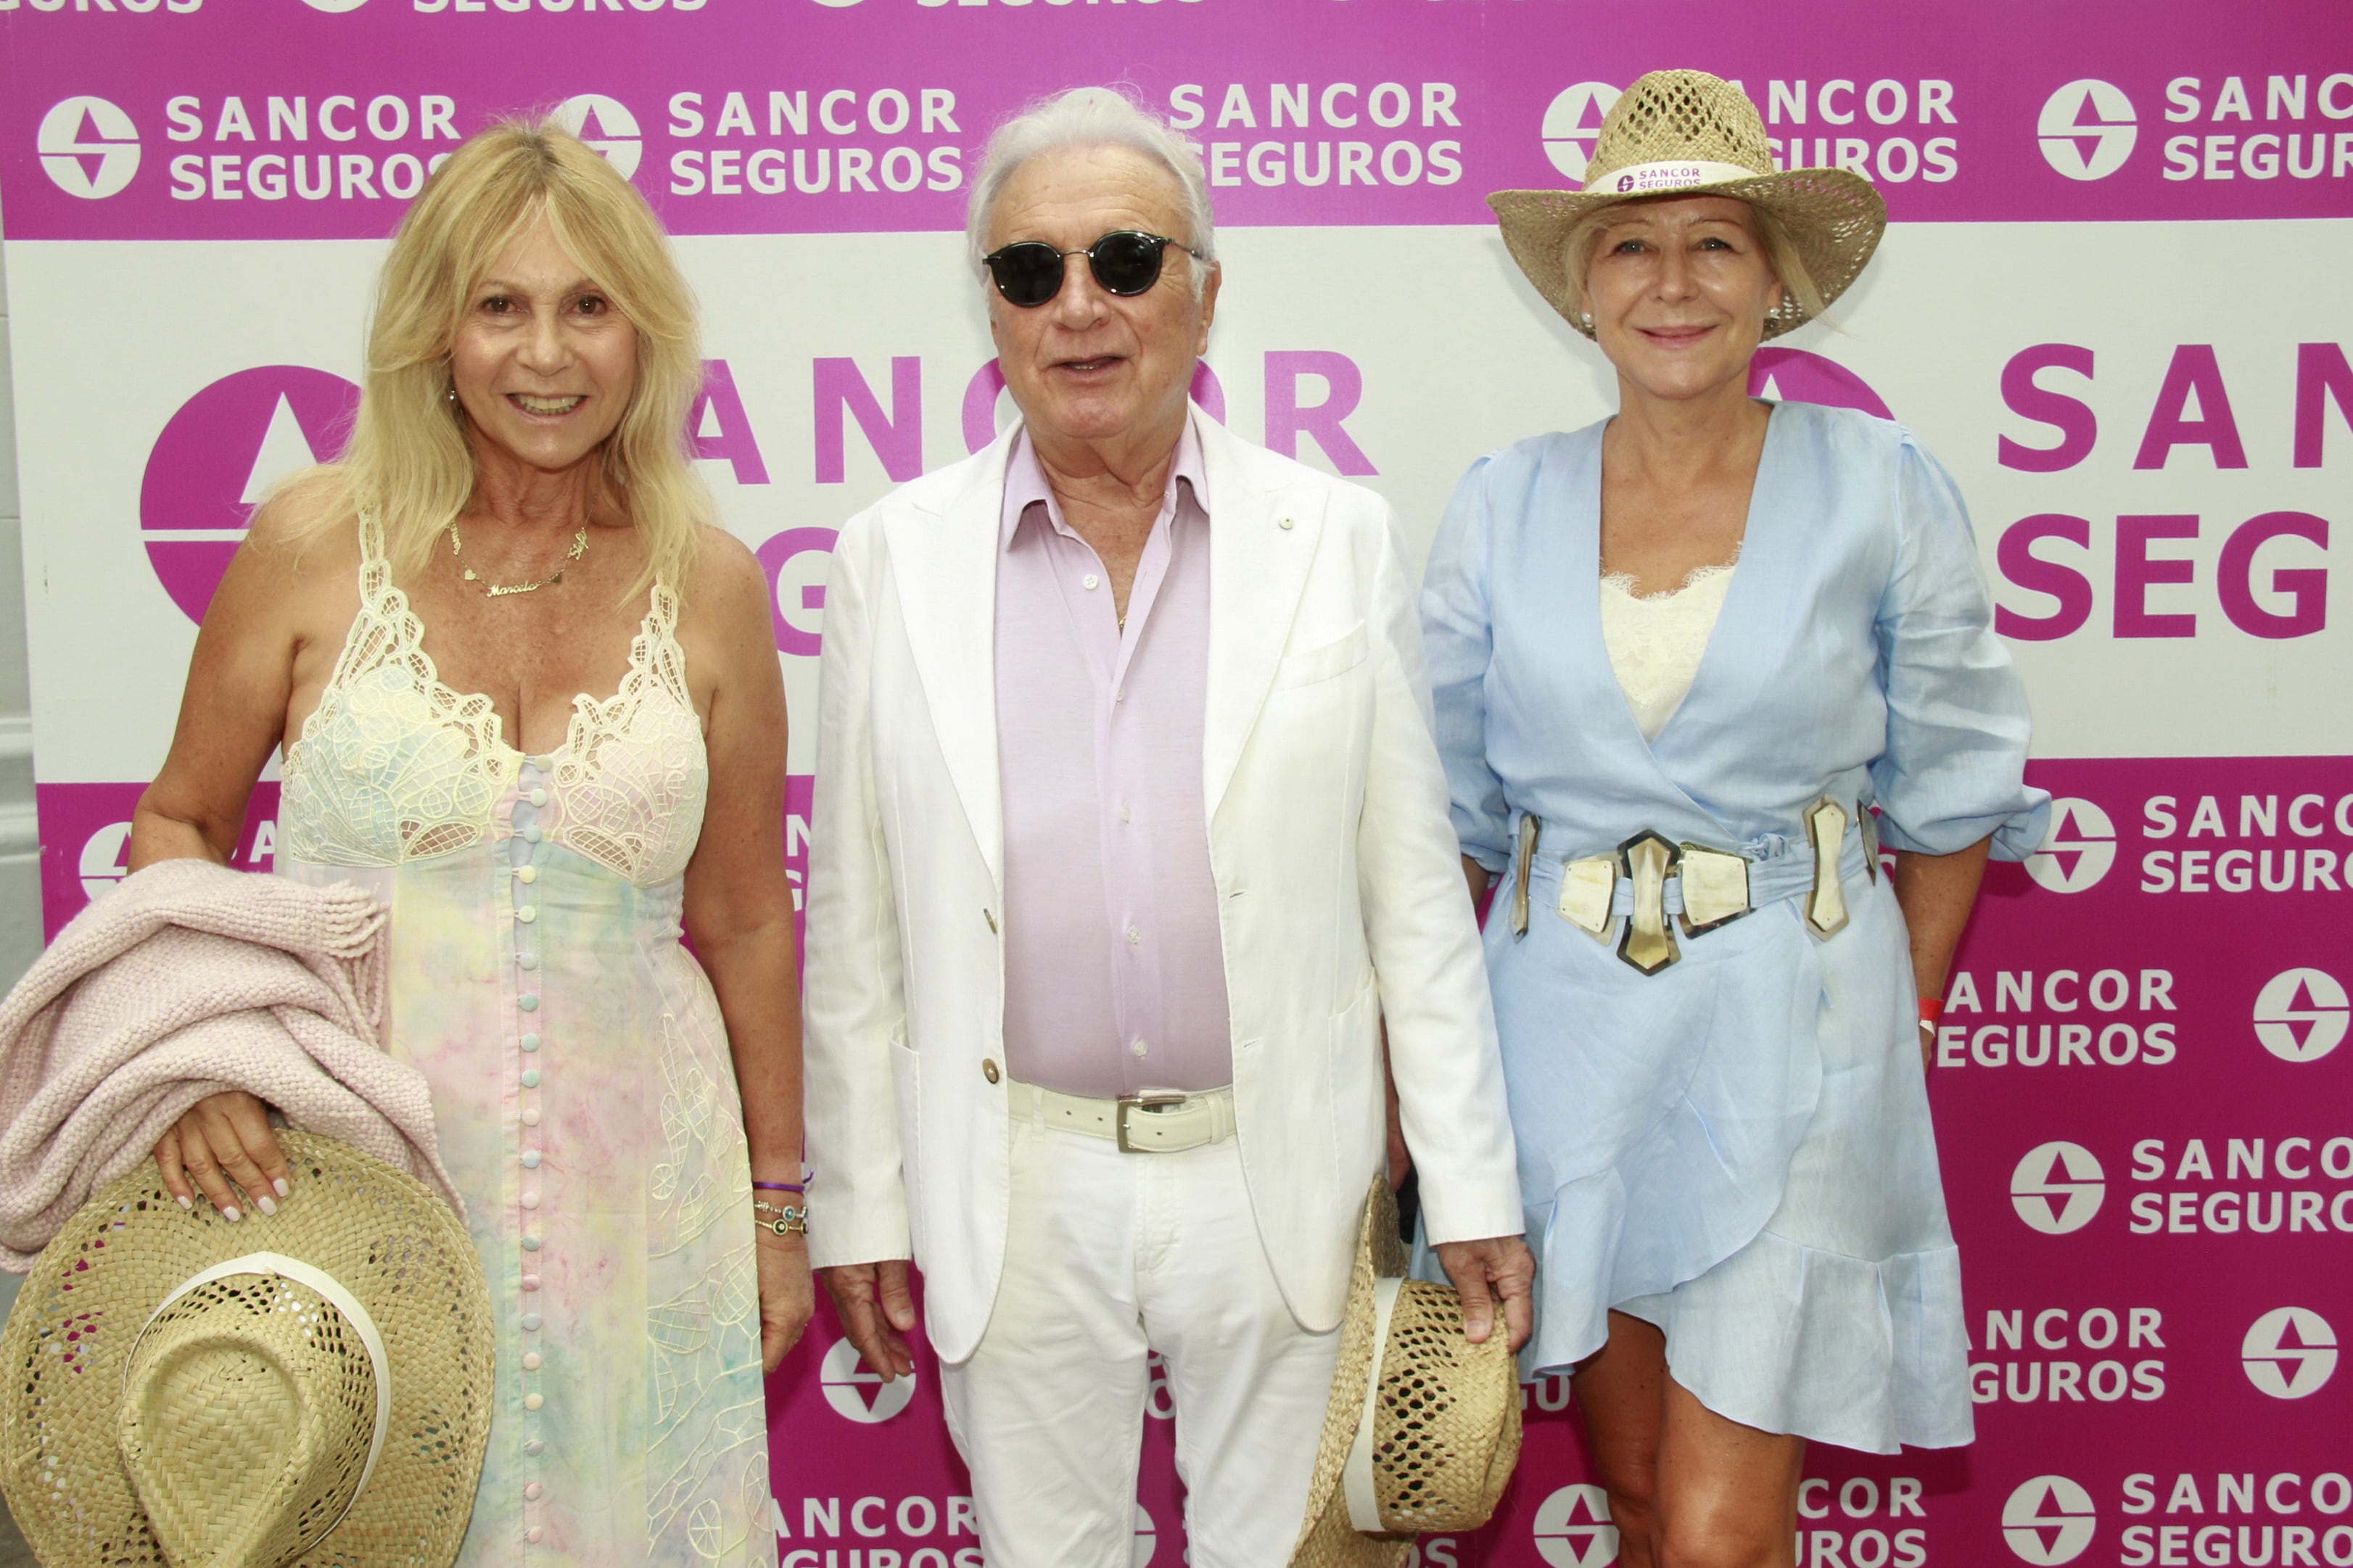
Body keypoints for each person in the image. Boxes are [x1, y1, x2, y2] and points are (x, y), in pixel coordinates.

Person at [801, 87, 1531, 1568]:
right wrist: (860, 1199)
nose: (1078, 307)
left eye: (1123, 261)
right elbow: (857, 931)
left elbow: (1410, 907)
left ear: (1202, 291)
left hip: (1277, 1169)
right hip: (1013, 1180)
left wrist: (1465, 1185)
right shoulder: (890, 559)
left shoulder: (1334, 538)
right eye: (1029, 271)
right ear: (992, 310)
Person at [128, 119, 804, 1567]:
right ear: (435, 329)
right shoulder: (311, 540)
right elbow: (181, 815)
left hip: (644, 1211)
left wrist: (778, 1205)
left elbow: (747, 918)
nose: (544, 354)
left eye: (587, 307)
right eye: (500, 305)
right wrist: (196, 1051)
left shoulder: (715, 585)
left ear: (644, 335)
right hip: (365, 1176)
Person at [1425, 71, 2048, 1568]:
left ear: (1777, 284)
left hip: (1799, 1034)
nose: (1672, 284)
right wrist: (1430, 1090)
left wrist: (1893, 1010)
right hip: (1563, 1043)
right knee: (1637, 1494)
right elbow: (1448, 819)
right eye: (1632, 248)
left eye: (1714, 244)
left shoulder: (1877, 488)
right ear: (1582, 288)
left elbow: (1957, 787)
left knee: (1715, 1530)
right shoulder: (1498, 504)